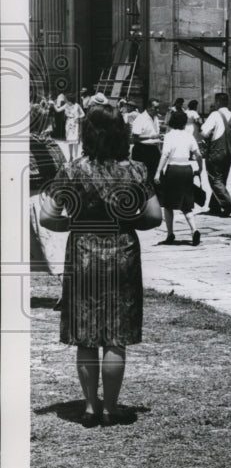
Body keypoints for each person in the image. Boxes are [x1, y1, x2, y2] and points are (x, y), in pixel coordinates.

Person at [38, 104, 162, 427]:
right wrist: (127, 219)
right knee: (115, 334)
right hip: (122, 250)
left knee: (86, 334)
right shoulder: (135, 170)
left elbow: (47, 215)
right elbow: (154, 216)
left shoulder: (72, 170)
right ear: (121, 132)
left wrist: (72, 226)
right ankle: (111, 407)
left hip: (82, 253)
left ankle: (91, 406)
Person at [154, 110, 204, 245]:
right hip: (186, 169)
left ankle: (170, 234)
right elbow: (198, 154)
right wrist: (200, 168)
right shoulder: (189, 136)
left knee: (168, 204)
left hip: (173, 169)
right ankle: (194, 230)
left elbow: (165, 155)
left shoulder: (169, 136)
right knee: (186, 204)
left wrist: (158, 172)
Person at [28, 103, 67, 273]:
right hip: (39, 197)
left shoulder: (45, 143)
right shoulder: (41, 143)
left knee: (52, 247)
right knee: (53, 248)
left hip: (43, 196)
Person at [200, 92, 231, 217]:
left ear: (218, 102)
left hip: (216, 151)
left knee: (214, 178)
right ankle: (214, 206)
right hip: (229, 153)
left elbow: (204, 132)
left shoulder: (215, 115)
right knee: (222, 179)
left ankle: (227, 203)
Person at [129, 98, 162, 184]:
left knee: (155, 177)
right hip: (142, 150)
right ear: (149, 107)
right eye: (156, 108)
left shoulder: (155, 118)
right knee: (142, 179)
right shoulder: (141, 118)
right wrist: (151, 137)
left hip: (153, 150)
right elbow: (135, 137)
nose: (158, 110)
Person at [63, 94, 85, 161]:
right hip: (68, 123)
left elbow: (83, 114)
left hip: (75, 123)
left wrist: (77, 117)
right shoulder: (66, 106)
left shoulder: (77, 105)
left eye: (66, 99)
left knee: (75, 141)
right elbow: (60, 111)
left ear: (69, 100)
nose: (65, 100)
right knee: (69, 141)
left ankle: (76, 156)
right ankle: (70, 156)